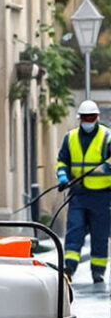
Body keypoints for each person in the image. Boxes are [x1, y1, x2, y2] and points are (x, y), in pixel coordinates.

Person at [57, 100, 111, 285]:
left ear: (97, 118)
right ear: (80, 119)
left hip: (102, 196)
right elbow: (62, 161)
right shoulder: (70, 138)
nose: (88, 120)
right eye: (85, 117)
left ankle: (98, 272)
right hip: (78, 194)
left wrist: (105, 168)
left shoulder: (107, 137)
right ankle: (69, 267)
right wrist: (63, 178)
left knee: (100, 235)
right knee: (74, 231)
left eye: (92, 117)